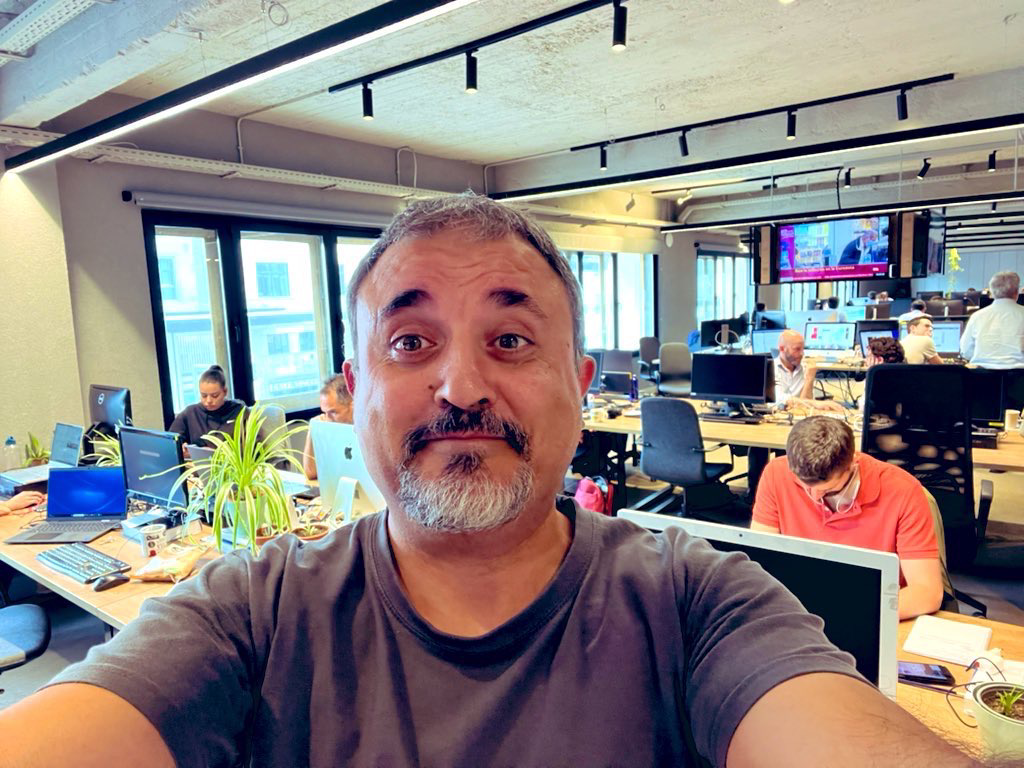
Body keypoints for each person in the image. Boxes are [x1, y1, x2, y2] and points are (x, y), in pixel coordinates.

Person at [0, 195, 976, 767]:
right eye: (409, 342)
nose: (461, 385)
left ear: (580, 389)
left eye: (510, 339)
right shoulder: (251, 612)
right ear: (352, 393)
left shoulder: (698, 600)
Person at [752, 416, 943, 621]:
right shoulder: (777, 472)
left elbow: (926, 593)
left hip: (869, 609)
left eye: (829, 490)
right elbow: (760, 562)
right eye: (804, 486)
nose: (815, 497)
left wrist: (844, 613)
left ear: (852, 461)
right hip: (800, 608)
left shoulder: (903, 491)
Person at [167, 364, 245, 447]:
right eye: (204, 396)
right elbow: (170, 442)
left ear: (225, 392)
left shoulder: (239, 412)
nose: (208, 401)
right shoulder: (190, 413)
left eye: (215, 396)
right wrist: (181, 448)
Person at [960, 270, 1024, 368]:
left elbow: (965, 351)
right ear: (1016, 292)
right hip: (1019, 375)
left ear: (992, 293)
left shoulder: (977, 316)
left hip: (983, 375)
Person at [773, 329, 844, 412]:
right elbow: (781, 401)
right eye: (797, 349)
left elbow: (805, 405)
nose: (802, 354)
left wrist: (810, 378)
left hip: (797, 414)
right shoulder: (771, 369)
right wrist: (815, 403)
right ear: (782, 348)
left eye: (803, 349)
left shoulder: (804, 367)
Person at [301, 373, 355, 480]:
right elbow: (310, 473)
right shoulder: (329, 428)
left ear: (353, 406)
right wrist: (312, 431)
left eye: (333, 412)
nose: (328, 419)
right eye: (325, 413)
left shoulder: (370, 432)